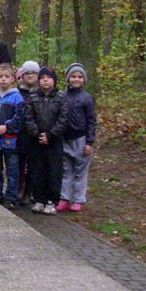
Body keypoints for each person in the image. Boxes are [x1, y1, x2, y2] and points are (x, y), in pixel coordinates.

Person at [25, 66, 68, 215]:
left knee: (53, 171)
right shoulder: (33, 97)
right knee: (38, 170)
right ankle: (39, 199)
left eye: (48, 78)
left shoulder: (61, 97)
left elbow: (63, 119)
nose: (45, 81)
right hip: (36, 140)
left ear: (54, 81)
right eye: (42, 78)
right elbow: (28, 117)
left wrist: (50, 135)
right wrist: (37, 134)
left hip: (54, 140)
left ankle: (52, 200)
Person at [0, 63, 27, 207]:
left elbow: (20, 117)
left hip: (10, 140)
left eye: (6, 77)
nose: (3, 80)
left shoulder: (17, 98)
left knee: (12, 171)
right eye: (0, 76)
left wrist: (7, 127)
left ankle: (11, 198)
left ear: (12, 78)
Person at [58, 63, 96, 212]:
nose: (76, 79)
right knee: (66, 170)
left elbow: (92, 121)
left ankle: (79, 199)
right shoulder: (62, 96)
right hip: (65, 138)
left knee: (80, 171)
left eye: (80, 77)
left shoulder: (87, 98)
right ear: (68, 78)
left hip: (81, 138)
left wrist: (89, 142)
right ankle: (64, 198)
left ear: (84, 80)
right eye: (73, 76)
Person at [16, 60, 40, 206]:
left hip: (35, 134)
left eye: (33, 73)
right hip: (20, 133)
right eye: (27, 73)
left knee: (33, 165)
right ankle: (18, 188)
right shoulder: (18, 93)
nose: (30, 75)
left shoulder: (41, 93)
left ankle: (28, 192)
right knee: (18, 164)